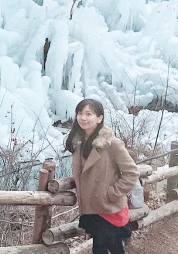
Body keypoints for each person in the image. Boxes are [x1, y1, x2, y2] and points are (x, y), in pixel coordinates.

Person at [65, 99, 140, 254]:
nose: (83, 118)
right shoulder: (79, 143)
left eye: (88, 114)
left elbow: (132, 173)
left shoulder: (112, 144)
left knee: (113, 247)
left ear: (99, 118)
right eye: (80, 113)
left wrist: (112, 193)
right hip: (92, 208)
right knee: (99, 247)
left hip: (108, 207)